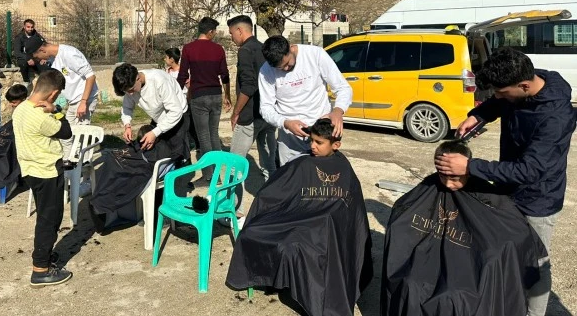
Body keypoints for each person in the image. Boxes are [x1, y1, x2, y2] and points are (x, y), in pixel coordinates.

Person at [434, 47, 576, 316]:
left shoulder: (555, 118)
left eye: (501, 93)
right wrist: (479, 115)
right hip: (507, 190)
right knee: (504, 251)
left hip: (538, 199)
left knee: (535, 262)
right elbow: (499, 103)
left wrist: (469, 166)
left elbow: (529, 170)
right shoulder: (526, 83)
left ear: (523, 85)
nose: (498, 97)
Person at [226, 118, 372, 316]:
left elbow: (351, 209)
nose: (312, 146)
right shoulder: (304, 163)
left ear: (336, 145)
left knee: (300, 244)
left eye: (319, 143)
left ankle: (315, 295)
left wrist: (324, 217)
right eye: (311, 140)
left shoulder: (343, 167)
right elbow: (276, 191)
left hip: (325, 229)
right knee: (253, 231)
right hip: (297, 219)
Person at [383, 140, 546, 316]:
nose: (448, 184)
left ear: (466, 171)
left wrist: (493, 255)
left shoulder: (486, 197)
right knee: (411, 283)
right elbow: (403, 215)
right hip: (427, 260)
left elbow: (513, 232)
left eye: (454, 177)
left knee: (455, 297)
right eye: (442, 176)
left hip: (467, 270)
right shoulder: (429, 188)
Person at [89, 63, 189, 229]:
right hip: (158, 121)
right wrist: (127, 125)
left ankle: (166, 213)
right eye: (126, 92)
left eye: (131, 89)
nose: (130, 93)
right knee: (145, 156)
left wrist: (155, 133)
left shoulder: (159, 81)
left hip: (177, 120)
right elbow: (127, 108)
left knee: (167, 164)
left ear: (137, 77)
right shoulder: (131, 87)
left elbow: (175, 112)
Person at [12, 69, 73, 287]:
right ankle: (40, 269)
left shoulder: (20, 110)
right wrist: (56, 110)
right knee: (50, 220)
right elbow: (66, 132)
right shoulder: (41, 117)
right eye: (56, 97)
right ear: (53, 94)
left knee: (44, 217)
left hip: (30, 170)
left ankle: (45, 254)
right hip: (47, 171)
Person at [258, 35, 353, 165]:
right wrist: (285, 123)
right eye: (280, 68)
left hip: (320, 133)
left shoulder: (315, 54)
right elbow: (266, 108)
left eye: (287, 63)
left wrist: (338, 111)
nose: (285, 69)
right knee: (292, 179)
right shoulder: (266, 71)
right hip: (289, 137)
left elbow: (343, 88)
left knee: (321, 177)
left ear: (290, 47)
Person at [26, 40, 98, 164]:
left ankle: (84, 163)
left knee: (81, 133)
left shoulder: (69, 54)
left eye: (38, 57)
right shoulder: (54, 58)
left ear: (43, 50)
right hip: (73, 100)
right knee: (67, 132)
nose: (39, 60)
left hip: (83, 99)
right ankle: (69, 160)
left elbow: (90, 76)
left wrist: (84, 102)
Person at [177, 17, 231, 175]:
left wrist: (175, 93)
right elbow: (225, 75)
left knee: (203, 136)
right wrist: (227, 95)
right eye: (214, 31)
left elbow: (182, 75)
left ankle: (210, 175)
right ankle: (217, 170)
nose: (214, 34)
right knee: (214, 132)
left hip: (199, 96)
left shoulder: (188, 49)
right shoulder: (219, 49)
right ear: (210, 32)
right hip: (216, 95)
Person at [227, 15, 276, 182]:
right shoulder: (263, 48)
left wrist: (236, 113)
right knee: (269, 162)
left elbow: (249, 86)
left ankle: (233, 206)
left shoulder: (245, 51)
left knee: (235, 164)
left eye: (231, 33)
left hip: (249, 116)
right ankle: (274, 198)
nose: (231, 38)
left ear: (240, 30)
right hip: (268, 113)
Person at [164, 46, 199, 153]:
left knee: (188, 124)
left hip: (184, 101)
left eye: (166, 57)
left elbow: (189, 87)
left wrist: (188, 99)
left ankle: (195, 143)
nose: (164, 59)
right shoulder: (167, 72)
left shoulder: (183, 72)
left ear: (172, 59)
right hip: (172, 102)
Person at [13, 19, 49, 86]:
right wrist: (28, 58)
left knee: (46, 69)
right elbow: (17, 52)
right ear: (24, 27)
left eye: (32, 27)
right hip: (24, 58)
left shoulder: (37, 36)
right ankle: (26, 81)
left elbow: (45, 46)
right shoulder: (19, 37)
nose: (30, 29)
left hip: (36, 58)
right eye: (28, 27)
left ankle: (46, 86)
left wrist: (45, 57)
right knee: (22, 63)